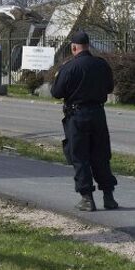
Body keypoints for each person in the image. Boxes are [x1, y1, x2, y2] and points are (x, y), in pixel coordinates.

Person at [51, 31, 119, 212]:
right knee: (101, 155)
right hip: (98, 114)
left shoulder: (69, 67)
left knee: (79, 156)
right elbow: (109, 87)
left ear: (74, 47)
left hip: (77, 116)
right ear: (88, 45)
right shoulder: (101, 65)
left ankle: (87, 198)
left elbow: (57, 92)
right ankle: (109, 196)